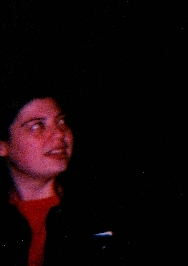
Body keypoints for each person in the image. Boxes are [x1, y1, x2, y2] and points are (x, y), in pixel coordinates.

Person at [0, 88, 122, 266]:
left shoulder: (101, 214)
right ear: (3, 146)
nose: (60, 133)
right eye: (37, 126)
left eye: (61, 121)